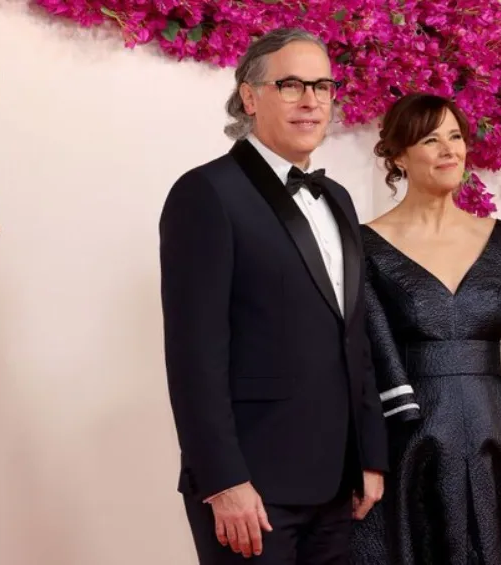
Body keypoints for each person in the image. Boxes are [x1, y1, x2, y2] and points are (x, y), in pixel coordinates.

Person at [159, 28, 388, 565]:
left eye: (324, 87)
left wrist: (370, 455)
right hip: (252, 488)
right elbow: (194, 356)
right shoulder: (205, 193)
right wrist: (223, 481)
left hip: (338, 484)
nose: (311, 101)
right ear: (249, 96)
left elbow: (354, 336)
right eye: (291, 85)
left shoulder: (338, 199)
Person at [349, 93, 501, 564]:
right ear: (397, 155)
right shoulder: (363, 247)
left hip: (499, 435)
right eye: (430, 138)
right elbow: (358, 358)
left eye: (455, 136)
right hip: (410, 439)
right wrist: (363, 456)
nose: (449, 150)